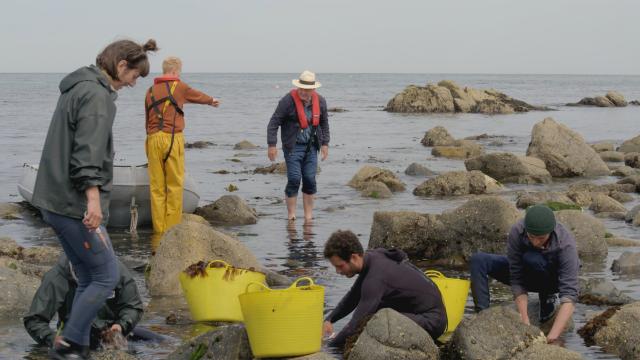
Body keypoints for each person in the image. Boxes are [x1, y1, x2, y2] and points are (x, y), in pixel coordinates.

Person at [31, 38, 158, 359]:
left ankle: (80, 349)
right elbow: (86, 153)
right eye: (134, 76)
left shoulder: (77, 86)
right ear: (121, 66)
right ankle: (69, 344)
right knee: (105, 275)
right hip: (72, 203)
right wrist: (93, 201)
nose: (133, 84)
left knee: (88, 276)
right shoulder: (98, 96)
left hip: (52, 199)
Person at [469, 204, 579, 344]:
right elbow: (516, 276)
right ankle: (482, 315)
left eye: (541, 238)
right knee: (479, 260)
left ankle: (547, 297)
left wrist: (552, 338)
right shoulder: (517, 230)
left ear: (550, 232)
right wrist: (524, 320)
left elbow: (570, 296)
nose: (535, 242)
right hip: (528, 272)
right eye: (532, 236)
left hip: (553, 279)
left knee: (533, 258)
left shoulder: (566, 245)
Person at [322, 230, 447, 347]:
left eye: (340, 266)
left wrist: (328, 347)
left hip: (432, 321)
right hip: (422, 312)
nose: (338, 271)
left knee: (372, 322)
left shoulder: (375, 278)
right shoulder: (371, 257)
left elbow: (354, 325)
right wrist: (329, 319)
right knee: (373, 310)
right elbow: (352, 297)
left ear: (354, 258)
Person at [145, 56, 220, 238]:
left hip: (153, 138)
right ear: (175, 71)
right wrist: (212, 100)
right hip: (172, 138)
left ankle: (159, 229)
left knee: (156, 186)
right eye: (179, 71)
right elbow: (196, 95)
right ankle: (171, 231)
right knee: (174, 184)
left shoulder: (150, 90)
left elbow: (147, 118)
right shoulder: (179, 86)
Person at [23, 255, 156, 350]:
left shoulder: (116, 270)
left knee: (161, 342)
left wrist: (120, 326)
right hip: (72, 338)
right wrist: (52, 339)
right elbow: (34, 320)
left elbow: (133, 306)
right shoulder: (56, 278)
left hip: (113, 332)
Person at [267, 70, 330, 222]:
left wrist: (325, 144)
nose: (302, 91)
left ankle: (308, 218)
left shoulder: (320, 101)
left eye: (306, 89)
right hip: (293, 147)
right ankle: (291, 216)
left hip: (311, 147)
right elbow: (273, 123)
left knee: (309, 179)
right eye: (300, 88)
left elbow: (324, 123)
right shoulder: (287, 101)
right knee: (294, 179)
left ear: (313, 89)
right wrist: (272, 145)